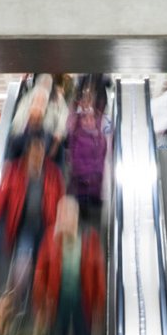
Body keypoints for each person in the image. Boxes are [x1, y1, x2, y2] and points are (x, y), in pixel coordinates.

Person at [32, 198, 105, 335]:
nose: (63, 219)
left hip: (83, 300)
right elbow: (40, 272)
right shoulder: (50, 238)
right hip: (57, 301)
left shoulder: (90, 238)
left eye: (67, 214)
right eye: (60, 214)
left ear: (75, 216)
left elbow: (98, 272)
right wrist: (39, 306)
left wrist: (99, 303)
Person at [0, 135, 63, 304]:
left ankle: (37, 297)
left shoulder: (53, 172)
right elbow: (2, 196)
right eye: (35, 153)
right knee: (22, 260)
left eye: (41, 153)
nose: (38, 156)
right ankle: (17, 299)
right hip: (25, 227)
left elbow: (61, 199)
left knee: (42, 262)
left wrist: (59, 225)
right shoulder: (15, 171)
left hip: (46, 226)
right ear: (28, 153)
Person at [65, 86, 110, 229]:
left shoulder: (100, 136)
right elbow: (76, 161)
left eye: (91, 119)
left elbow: (103, 158)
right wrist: (88, 177)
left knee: (96, 225)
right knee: (84, 223)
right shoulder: (77, 136)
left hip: (98, 190)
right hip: (82, 188)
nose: (89, 121)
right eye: (86, 119)